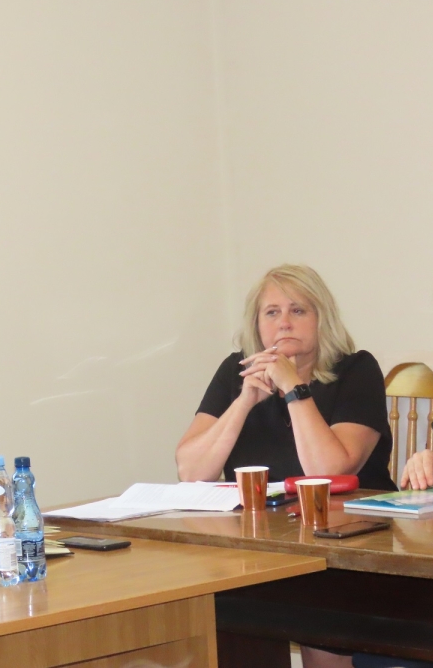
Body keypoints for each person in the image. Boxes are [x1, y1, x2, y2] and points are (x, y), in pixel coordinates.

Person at [175, 264, 395, 668]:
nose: (285, 323)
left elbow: (330, 470)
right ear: (257, 324)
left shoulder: (356, 369)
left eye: (298, 310)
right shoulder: (237, 371)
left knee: (319, 616)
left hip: (350, 545)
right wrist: (244, 402)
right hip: (263, 542)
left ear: (321, 318)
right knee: (212, 608)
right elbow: (191, 471)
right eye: (272, 312)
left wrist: (294, 387)